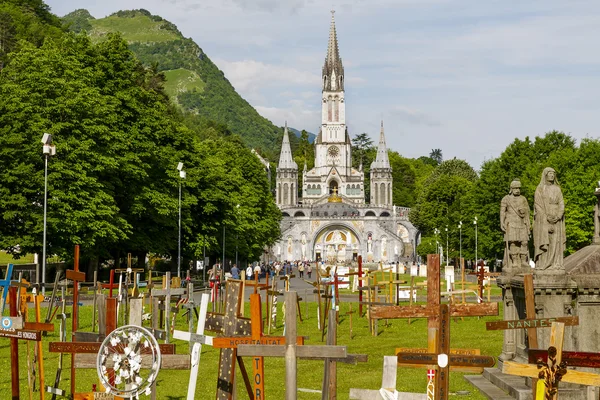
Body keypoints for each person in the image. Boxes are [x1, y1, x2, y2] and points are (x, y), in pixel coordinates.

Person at [533, 167, 566, 270]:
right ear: (545, 175)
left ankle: (556, 264)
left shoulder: (557, 188)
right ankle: (543, 264)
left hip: (556, 218)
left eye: (553, 173)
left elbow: (561, 203)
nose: (552, 175)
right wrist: (546, 217)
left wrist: (558, 215)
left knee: (556, 241)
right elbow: (537, 205)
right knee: (545, 240)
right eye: (550, 173)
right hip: (544, 219)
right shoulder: (540, 189)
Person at [500, 179, 531, 269]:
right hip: (511, 223)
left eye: (519, 188)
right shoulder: (506, 199)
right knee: (513, 243)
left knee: (524, 242)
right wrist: (502, 222)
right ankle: (514, 261)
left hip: (521, 223)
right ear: (511, 189)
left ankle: (523, 261)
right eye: (515, 188)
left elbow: (528, 210)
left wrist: (524, 211)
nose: (517, 190)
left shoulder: (523, 199)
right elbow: (502, 211)